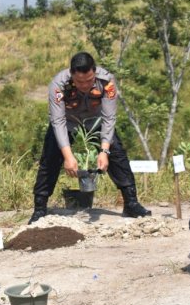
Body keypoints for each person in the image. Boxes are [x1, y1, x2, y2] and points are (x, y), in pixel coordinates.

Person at [29, 52, 150, 223]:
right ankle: (40, 207)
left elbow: (109, 118)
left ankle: (131, 202)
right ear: (71, 74)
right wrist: (68, 156)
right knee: (50, 158)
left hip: (96, 120)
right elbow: (58, 121)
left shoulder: (107, 81)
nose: (85, 85)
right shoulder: (58, 85)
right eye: (79, 82)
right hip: (68, 122)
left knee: (117, 154)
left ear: (95, 72)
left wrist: (104, 151)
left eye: (89, 80)